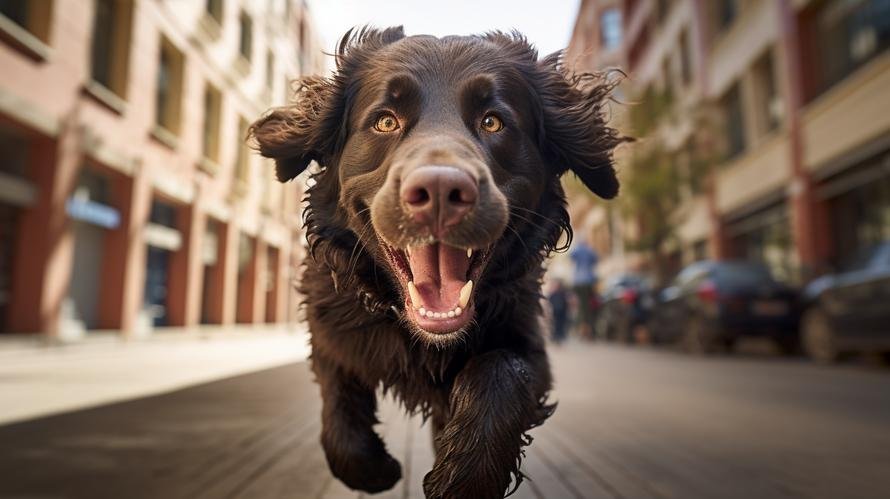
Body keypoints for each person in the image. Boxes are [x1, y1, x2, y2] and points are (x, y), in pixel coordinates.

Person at [570, 240, 598, 337]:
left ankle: (581, 330)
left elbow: (571, 256)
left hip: (578, 281)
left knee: (581, 307)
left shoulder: (577, 249)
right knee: (588, 308)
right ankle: (588, 330)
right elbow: (596, 259)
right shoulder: (590, 250)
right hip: (588, 282)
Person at [547, 279, 570, 344]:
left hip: (561, 314)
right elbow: (549, 302)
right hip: (554, 313)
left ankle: (559, 338)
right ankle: (554, 337)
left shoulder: (563, 293)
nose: (555, 286)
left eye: (556, 285)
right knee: (553, 325)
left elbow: (566, 303)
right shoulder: (552, 294)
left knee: (560, 326)